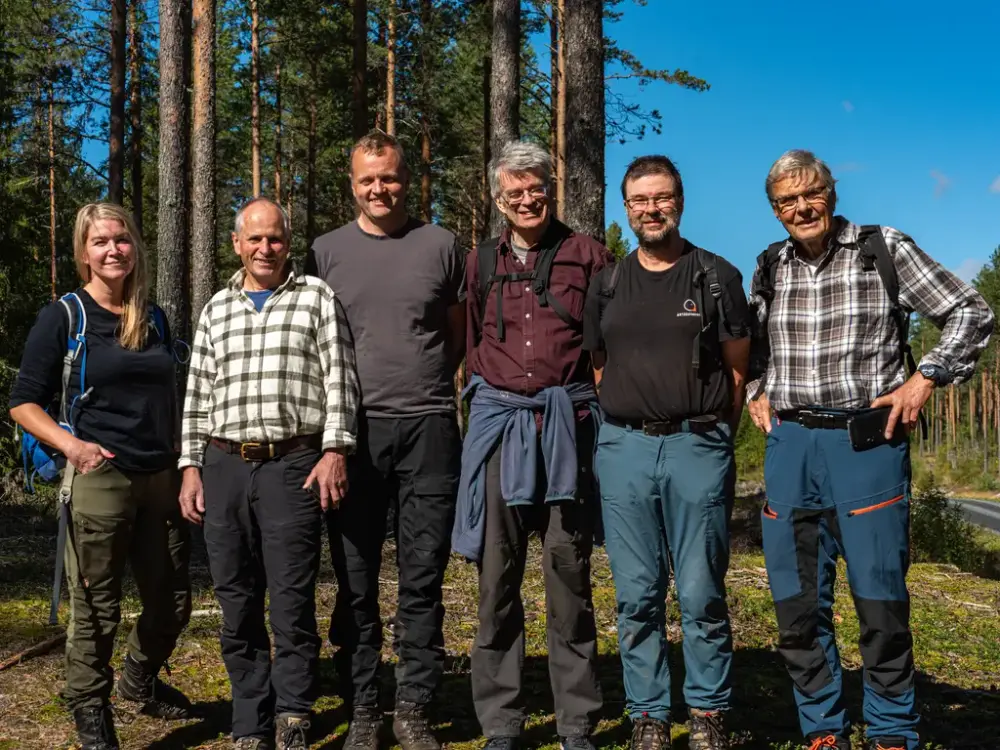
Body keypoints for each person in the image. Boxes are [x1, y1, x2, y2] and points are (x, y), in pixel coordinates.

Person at [746, 150, 994, 750]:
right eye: (786, 201)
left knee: (880, 600)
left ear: (831, 193)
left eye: (811, 195)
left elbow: (971, 310)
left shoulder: (882, 247)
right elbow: (751, 345)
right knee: (795, 604)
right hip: (792, 445)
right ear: (775, 210)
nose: (801, 208)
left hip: (868, 442)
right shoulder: (769, 266)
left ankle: (889, 729)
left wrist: (926, 376)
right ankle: (822, 729)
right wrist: (756, 388)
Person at [8, 203, 193, 750]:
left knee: (173, 602)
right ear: (83, 253)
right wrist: (73, 447)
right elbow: (23, 403)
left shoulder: (153, 317)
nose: (113, 250)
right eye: (100, 242)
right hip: (99, 478)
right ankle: (92, 712)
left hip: (159, 475)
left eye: (122, 240)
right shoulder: (65, 316)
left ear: (135, 246)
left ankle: (139, 676)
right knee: (95, 607)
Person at [179, 197, 360, 750]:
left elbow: (340, 380)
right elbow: (197, 392)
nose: (265, 248)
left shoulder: (315, 298)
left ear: (288, 242)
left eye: (275, 238)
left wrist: (336, 449)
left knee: (290, 596)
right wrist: (190, 465)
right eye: (254, 239)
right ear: (237, 243)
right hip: (224, 463)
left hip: (293, 464)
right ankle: (249, 718)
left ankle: (294, 712)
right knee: (235, 597)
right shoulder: (216, 308)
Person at [582, 155, 750, 750]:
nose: (651, 209)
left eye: (662, 198)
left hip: (697, 443)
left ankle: (707, 713)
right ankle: (648, 714)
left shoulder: (715, 276)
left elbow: (737, 371)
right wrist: (631, 420)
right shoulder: (606, 282)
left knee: (702, 590)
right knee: (636, 593)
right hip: (623, 446)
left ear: (680, 201)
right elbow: (600, 366)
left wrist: (708, 433)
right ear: (625, 209)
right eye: (639, 201)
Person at [306, 130, 466, 750]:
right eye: (368, 179)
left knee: (423, 575)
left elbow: (455, 334)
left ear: (407, 180)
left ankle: (415, 707)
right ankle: (365, 704)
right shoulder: (325, 252)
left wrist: (427, 385)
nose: (380, 189)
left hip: (428, 427)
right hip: (350, 434)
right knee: (355, 575)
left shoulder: (442, 245)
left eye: (391, 177)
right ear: (353, 184)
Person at [453, 139, 611, 750]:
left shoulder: (588, 257)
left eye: (535, 187)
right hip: (501, 431)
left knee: (568, 576)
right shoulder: (479, 262)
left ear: (552, 187)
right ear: (498, 199)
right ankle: (502, 721)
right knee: (497, 578)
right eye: (513, 192)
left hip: (566, 430)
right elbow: (466, 340)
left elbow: (603, 352)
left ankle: (576, 721)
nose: (526, 199)